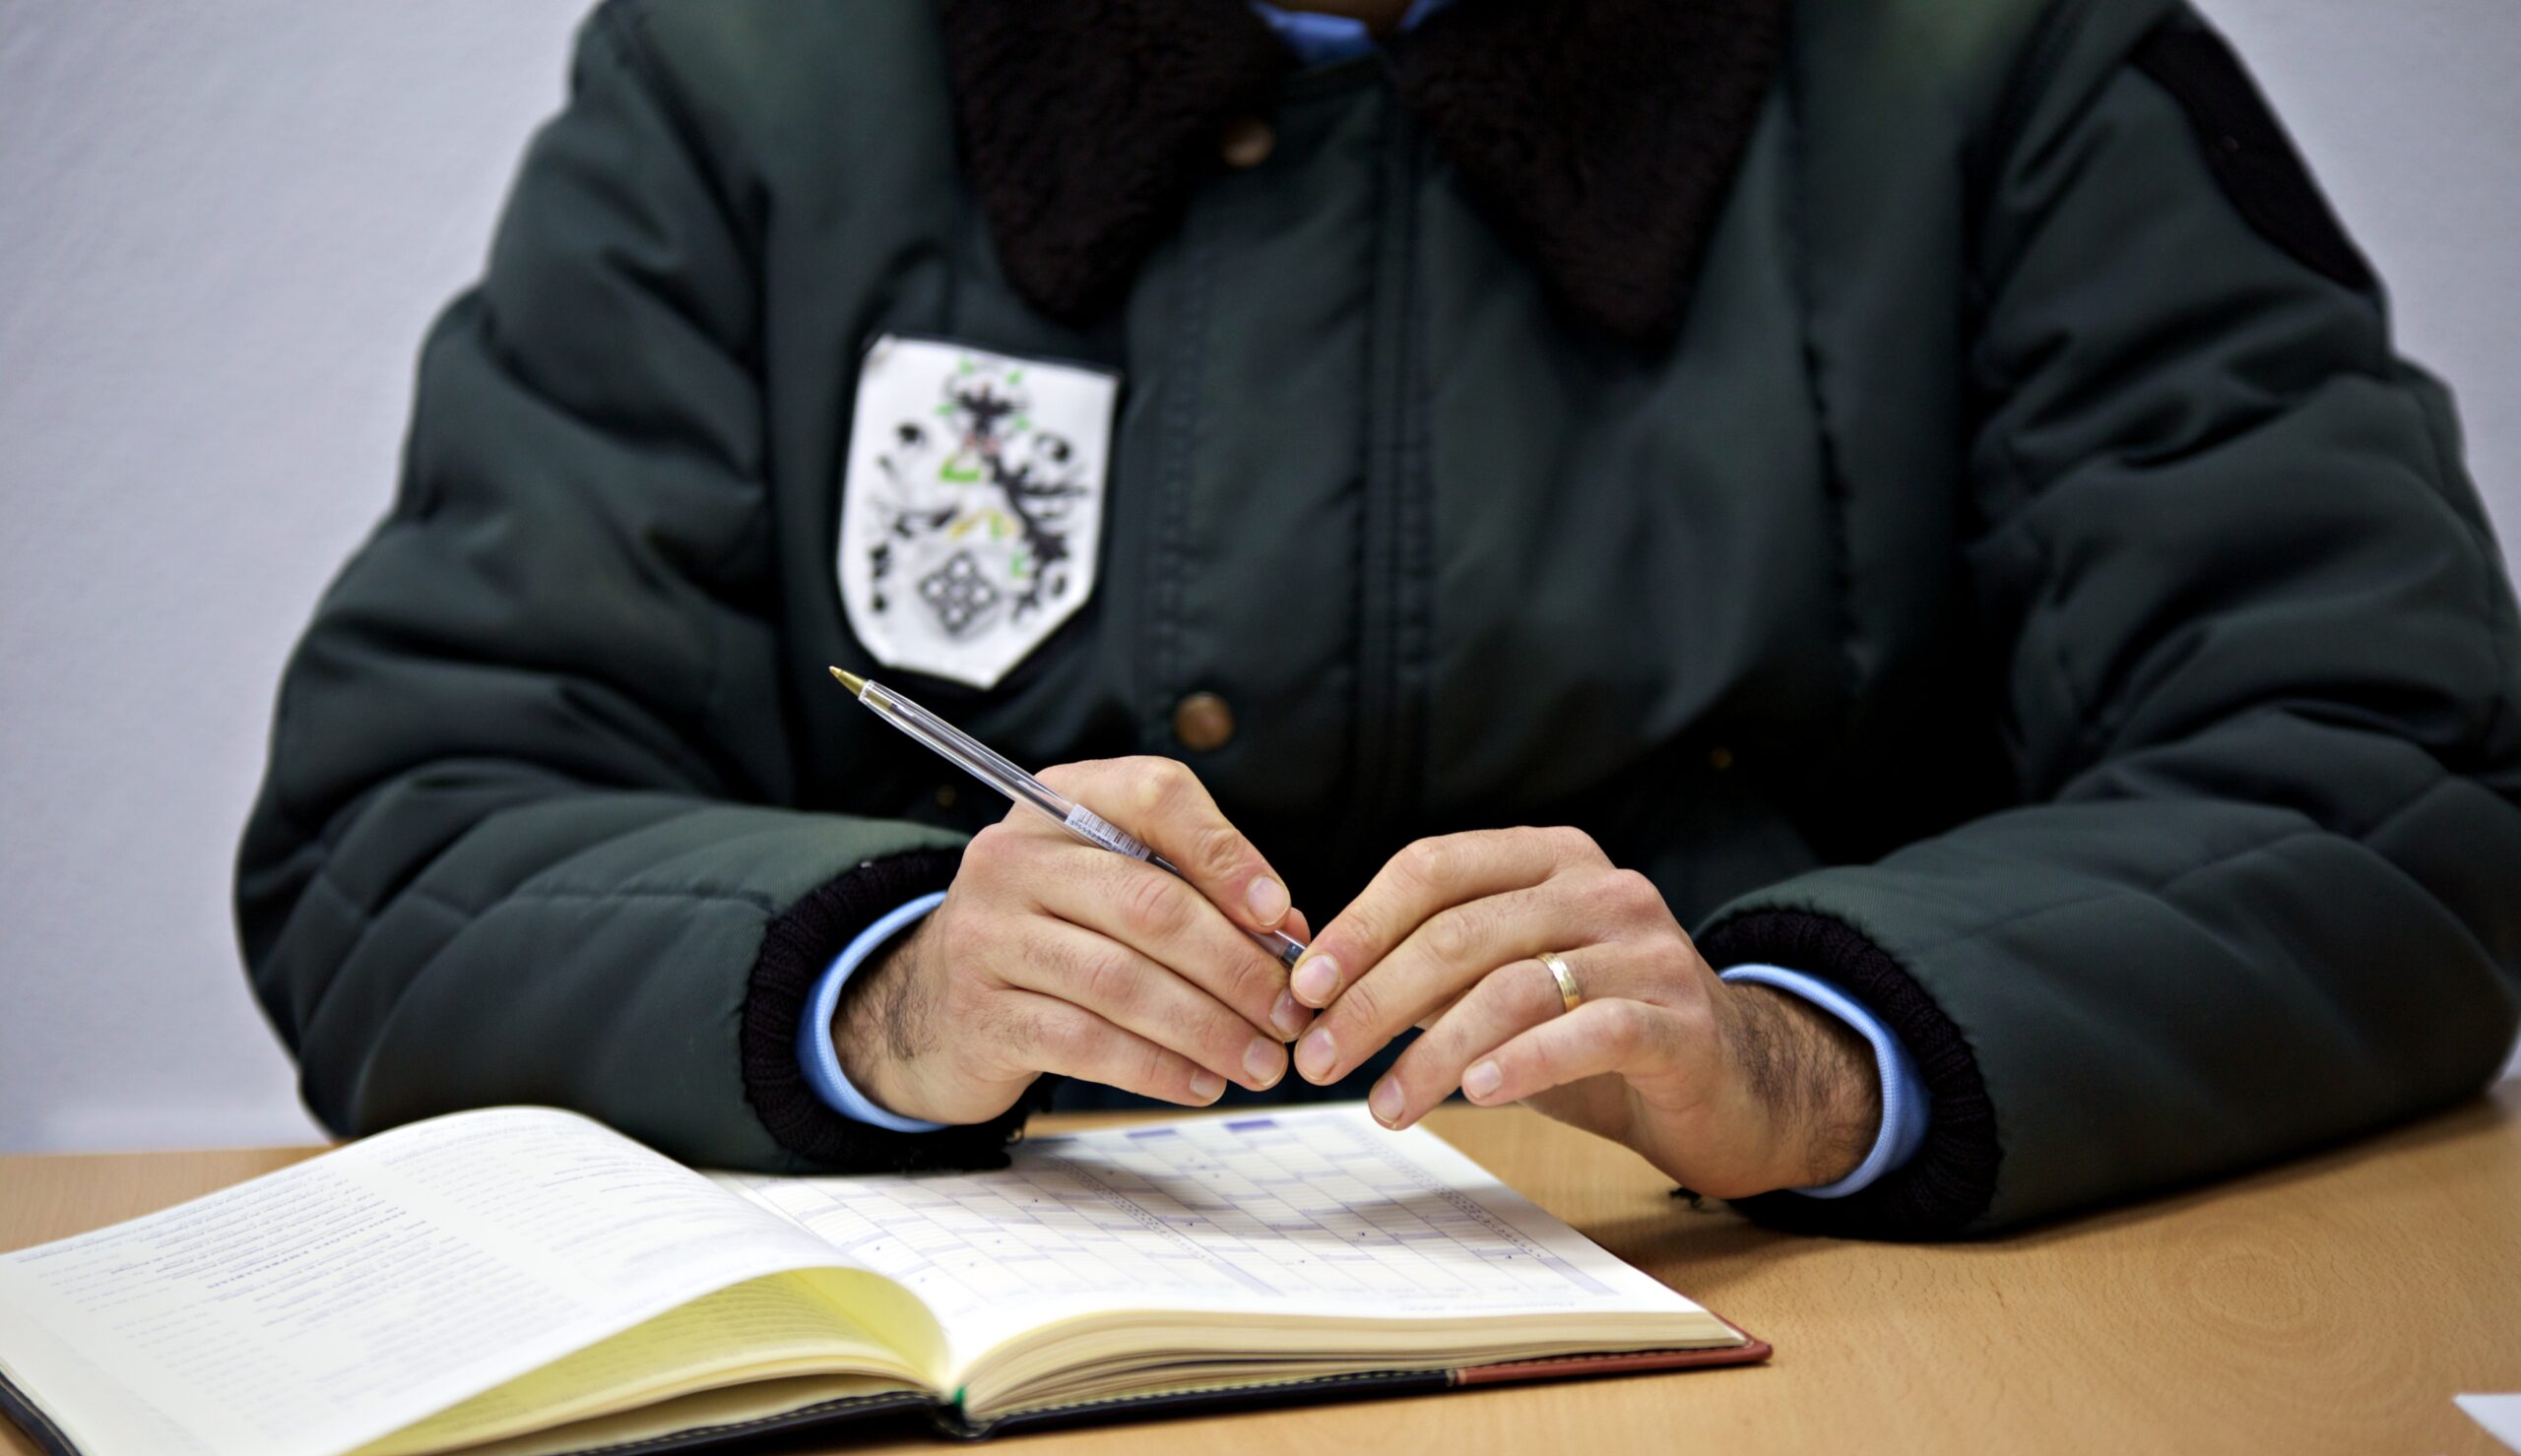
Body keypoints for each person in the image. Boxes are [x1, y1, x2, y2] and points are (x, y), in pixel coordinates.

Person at [236, 0, 2521, 1238]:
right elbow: (401, 835)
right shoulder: (747, 74)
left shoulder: (1999, 62)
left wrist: (1804, 1053)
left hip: (1787, 1365)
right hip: (971, 1443)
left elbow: (2381, 769)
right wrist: (888, 978)